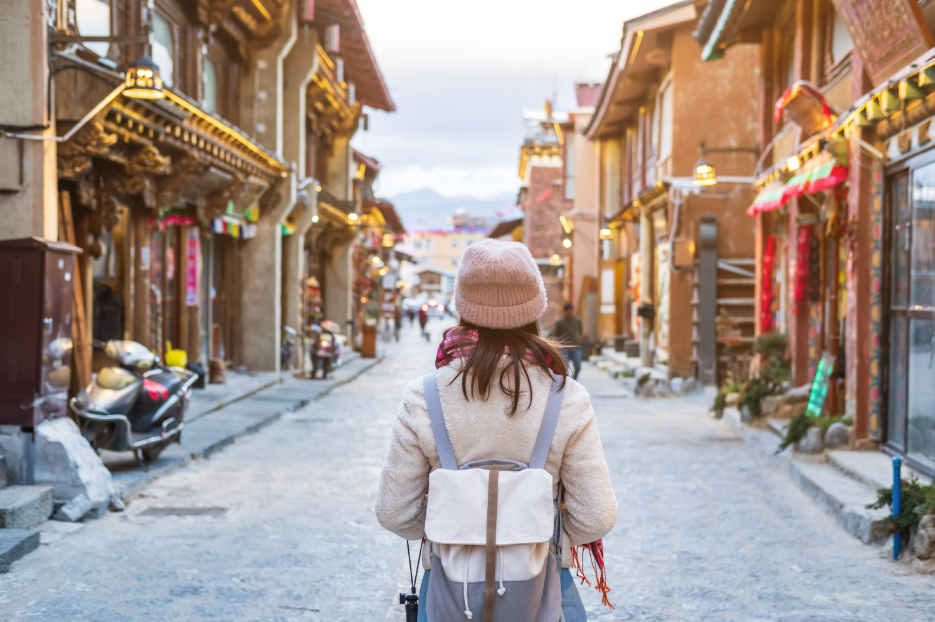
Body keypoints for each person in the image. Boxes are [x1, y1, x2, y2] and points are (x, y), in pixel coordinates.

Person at [376, 239, 617, 622]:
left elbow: (394, 512)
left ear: (462, 306)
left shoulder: (424, 397)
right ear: (535, 307)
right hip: (544, 589)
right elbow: (596, 516)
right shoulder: (566, 398)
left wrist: (457, 521)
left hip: (449, 590)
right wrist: (533, 528)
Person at [551, 302, 585, 380]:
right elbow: (557, 335)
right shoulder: (559, 322)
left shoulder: (577, 321)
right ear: (565, 312)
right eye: (568, 311)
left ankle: (574, 379)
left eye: (571, 311)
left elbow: (580, 331)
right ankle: (567, 381)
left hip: (576, 347)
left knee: (578, 366)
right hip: (564, 348)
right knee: (564, 367)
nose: (569, 313)